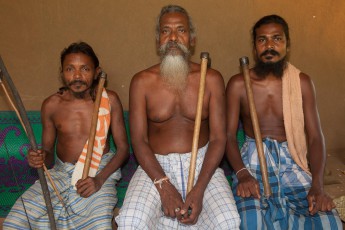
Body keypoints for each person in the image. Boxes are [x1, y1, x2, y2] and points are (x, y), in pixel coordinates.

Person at [115, 5, 240, 229]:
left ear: (192, 39)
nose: (173, 37)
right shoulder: (141, 81)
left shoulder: (210, 78)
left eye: (180, 30)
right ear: (158, 41)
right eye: (166, 31)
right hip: (155, 165)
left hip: (203, 164)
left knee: (228, 221)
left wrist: (199, 189)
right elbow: (139, 141)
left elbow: (219, 138)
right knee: (130, 221)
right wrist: (164, 185)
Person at [226, 15, 342, 229]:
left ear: (287, 45)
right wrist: (242, 174)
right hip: (252, 163)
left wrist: (317, 185)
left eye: (276, 39)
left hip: (293, 162)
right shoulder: (238, 84)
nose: (269, 46)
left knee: (328, 223)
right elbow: (227, 136)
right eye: (262, 40)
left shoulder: (302, 82)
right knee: (251, 223)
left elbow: (316, 137)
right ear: (254, 47)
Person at [3, 42, 129, 229]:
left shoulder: (108, 100)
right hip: (60, 173)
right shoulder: (52, 105)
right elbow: (47, 152)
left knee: (100, 225)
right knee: (15, 222)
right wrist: (38, 157)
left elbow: (123, 149)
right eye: (70, 69)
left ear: (96, 72)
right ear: (62, 73)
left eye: (85, 69)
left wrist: (99, 180)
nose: (77, 76)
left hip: (99, 171)